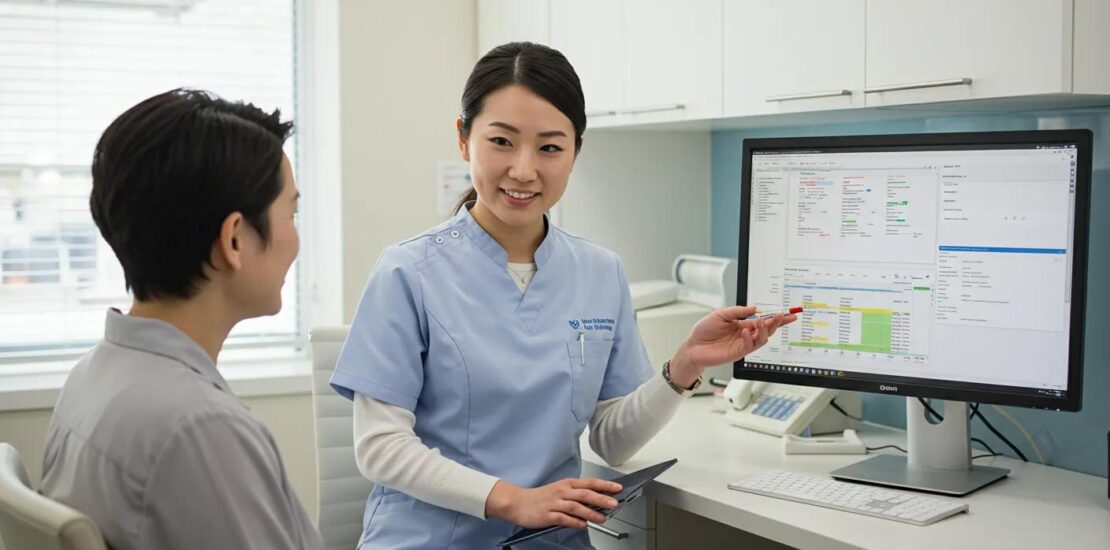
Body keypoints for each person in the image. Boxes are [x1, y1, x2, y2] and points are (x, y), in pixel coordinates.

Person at [330, 42, 795, 549]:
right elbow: (380, 447)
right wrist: (514, 500)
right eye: (502, 142)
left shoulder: (599, 271)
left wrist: (684, 365)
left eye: (550, 147)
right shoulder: (408, 272)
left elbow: (612, 441)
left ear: (575, 151)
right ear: (464, 139)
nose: (525, 170)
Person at [39, 89, 323, 550]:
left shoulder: (94, 375)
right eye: (290, 212)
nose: (295, 239)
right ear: (234, 239)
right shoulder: (200, 429)